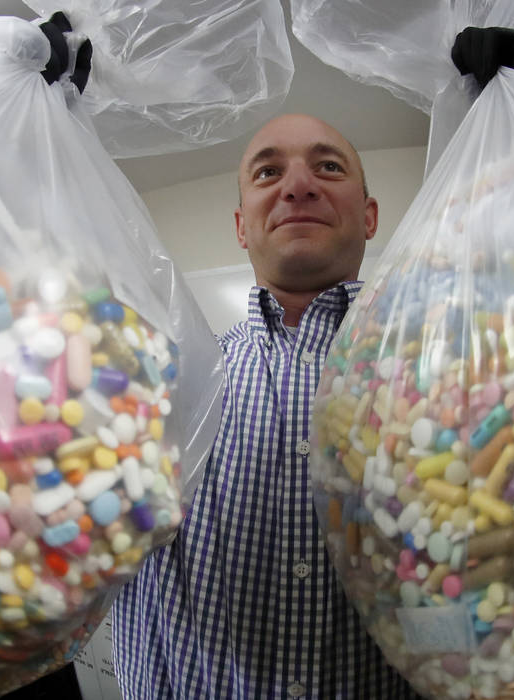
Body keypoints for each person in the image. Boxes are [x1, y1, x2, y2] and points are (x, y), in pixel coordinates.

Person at [111, 112, 416, 698]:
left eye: (328, 166)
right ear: (241, 227)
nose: (297, 186)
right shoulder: (157, 382)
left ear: (371, 216)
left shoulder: (441, 377)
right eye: (268, 171)